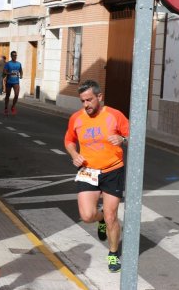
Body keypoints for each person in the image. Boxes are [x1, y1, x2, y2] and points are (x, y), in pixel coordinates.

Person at [63, 79, 129, 273]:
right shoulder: (76, 118)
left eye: (89, 100)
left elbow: (134, 134)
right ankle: (99, 219)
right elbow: (68, 140)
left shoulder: (115, 115)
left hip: (112, 170)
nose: (86, 105)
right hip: (87, 171)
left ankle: (113, 253)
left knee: (111, 216)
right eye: (82, 101)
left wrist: (122, 139)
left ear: (99, 97)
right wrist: (74, 155)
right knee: (87, 215)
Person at [3, 51, 22, 116]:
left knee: (16, 95)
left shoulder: (19, 64)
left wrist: (21, 75)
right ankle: (6, 108)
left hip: (16, 82)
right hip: (9, 81)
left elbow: (21, 71)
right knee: (7, 95)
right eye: (13, 55)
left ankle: (13, 106)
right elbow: (4, 72)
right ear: (11, 56)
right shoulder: (8, 63)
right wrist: (10, 73)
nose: (15, 56)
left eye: (16, 55)